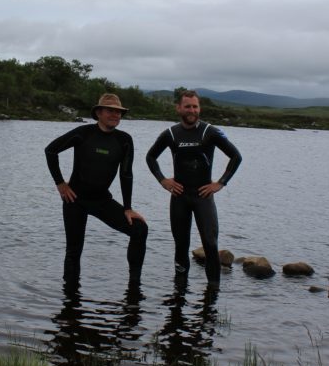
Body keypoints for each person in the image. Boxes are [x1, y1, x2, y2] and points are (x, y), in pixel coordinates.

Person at [45, 93, 148, 283]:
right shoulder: (83, 133)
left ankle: (134, 287)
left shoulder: (124, 140)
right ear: (99, 112)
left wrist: (127, 208)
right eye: (110, 111)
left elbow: (126, 174)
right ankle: (70, 300)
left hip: (102, 200)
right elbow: (51, 150)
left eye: (119, 112)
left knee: (140, 229)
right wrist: (60, 183)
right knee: (74, 251)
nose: (115, 115)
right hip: (75, 199)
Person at [145, 90, 242, 286]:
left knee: (210, 244)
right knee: (181, 245)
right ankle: (179, 294)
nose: (192, 110)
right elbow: (150, 157)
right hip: (179, 196)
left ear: (199, 109)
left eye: (195, 106)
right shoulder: (171, 134)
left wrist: (220, 183)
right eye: (187, 106)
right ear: (179, 108)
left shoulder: (210, 132)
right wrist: (163, 180)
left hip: (203, 196)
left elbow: (236, 156)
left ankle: (212, 296)